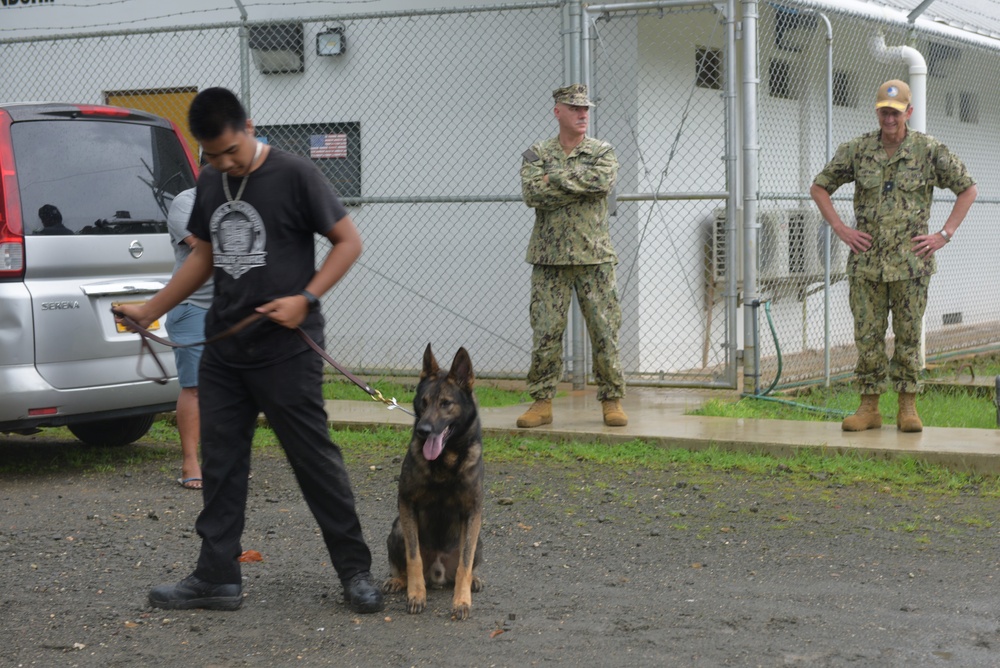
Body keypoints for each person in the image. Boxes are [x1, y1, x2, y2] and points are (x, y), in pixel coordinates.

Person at [114, 87, 383, 614]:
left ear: (250, 128)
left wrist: (306, 299)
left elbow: (348, 242)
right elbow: (205, 257)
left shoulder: (295, 174)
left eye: (230, 152)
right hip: (226, 349)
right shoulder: (213, 178)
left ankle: (356, 571)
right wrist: (151, 309)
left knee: (314, 460)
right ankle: (217, 577)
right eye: (211, 155)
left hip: (287, 348)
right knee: (221, 462)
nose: (223, 163)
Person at [810, 79, 977, 433]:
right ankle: (869, 408)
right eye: (885, 112)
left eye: (896, 113)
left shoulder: (928, 150)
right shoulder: (857, 150)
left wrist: (944, 235)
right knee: (867, 336)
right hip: (867, 263)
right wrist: (840, 229)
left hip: (911, 265)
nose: (889, 119)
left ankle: (908, 407)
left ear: (908, 112)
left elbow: (968, 188)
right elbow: (819, 186)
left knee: (908, 335)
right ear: (877, 111)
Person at [516, 83, 628, 429]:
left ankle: (612, 400)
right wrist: (575, 185)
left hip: (594, 256)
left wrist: (556, 180)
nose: (583, 114)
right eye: (575, 108)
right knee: (546, 332)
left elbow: (602, 183)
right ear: (558, 112)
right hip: (549, 260)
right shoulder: (537, 152)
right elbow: (533, 193)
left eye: (586, 109)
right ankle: (542, 402)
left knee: (604, 330)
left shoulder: (602, 151)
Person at [165, 187, 211, 490]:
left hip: (233, 308)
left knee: (231, 387)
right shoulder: (186, 202)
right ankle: (191, 460)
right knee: (194, 387)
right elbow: (201, 249)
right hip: (193, 305)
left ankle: (221, 459)